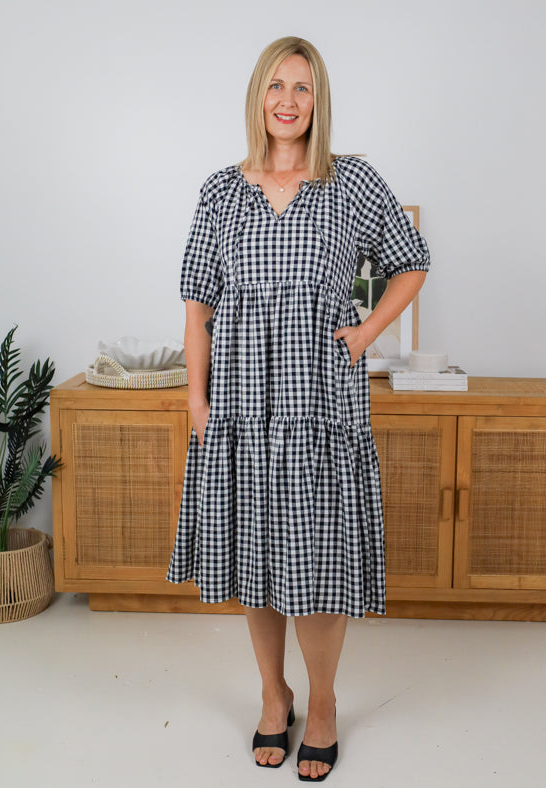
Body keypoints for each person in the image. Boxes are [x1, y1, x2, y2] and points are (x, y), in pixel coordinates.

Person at [167, 36, 430, 781]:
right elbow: (198, 305)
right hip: (242, 407)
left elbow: (412, 262)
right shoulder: (221, 191)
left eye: (303, 88)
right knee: (255, 553)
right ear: (258, 96)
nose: (288, 100)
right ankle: (272, 694)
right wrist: (196, 398)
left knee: (317, 559)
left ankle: (322, 704)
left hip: (320, 407)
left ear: (319, 101)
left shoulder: (352, 183)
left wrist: (366, 333)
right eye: (276, 85)